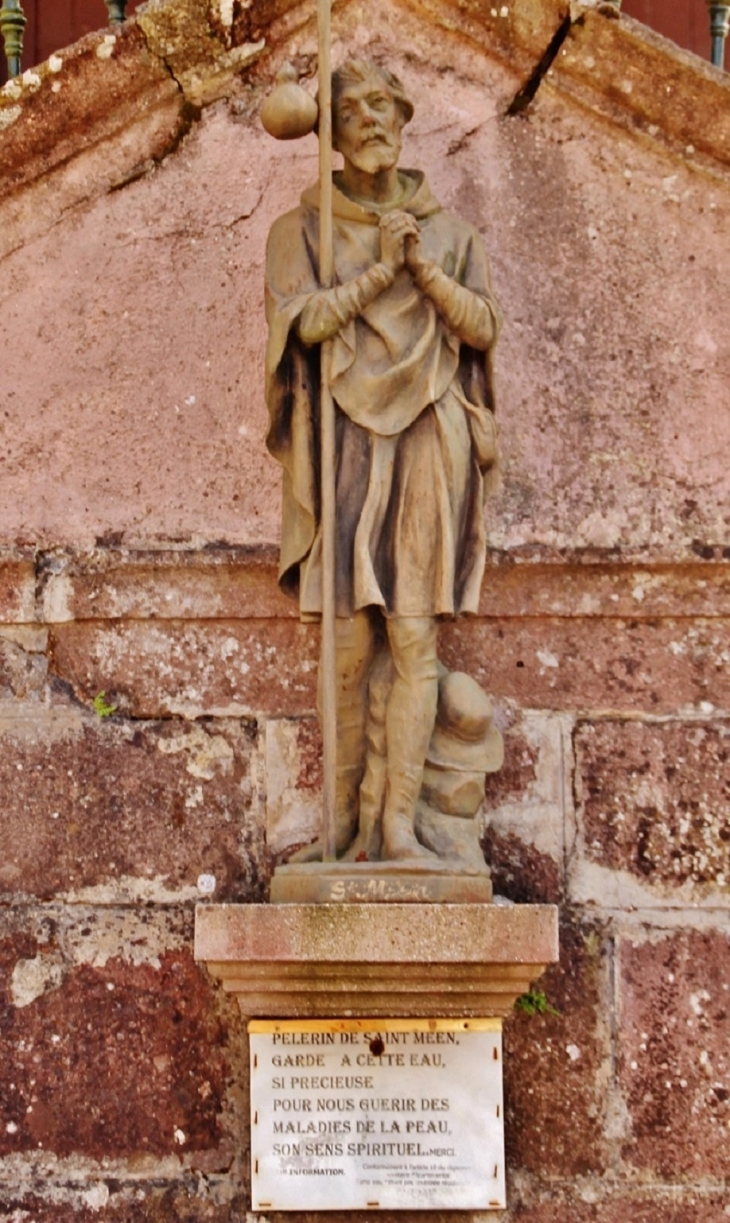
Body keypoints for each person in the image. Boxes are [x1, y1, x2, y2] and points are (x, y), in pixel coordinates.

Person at [265, 59, 501, 862]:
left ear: (404, 120)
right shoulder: (298, 231)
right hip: (342, 438)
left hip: (431, 437)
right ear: (326, 132)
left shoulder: (453, 233)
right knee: (346, 644)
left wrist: (422, 268)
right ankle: (340, 823)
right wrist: (377, 273)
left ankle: (398, 826)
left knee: (413, 640)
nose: (369, 120)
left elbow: (482, 330)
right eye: (350, 109)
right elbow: (301, 326)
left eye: (382, 106)